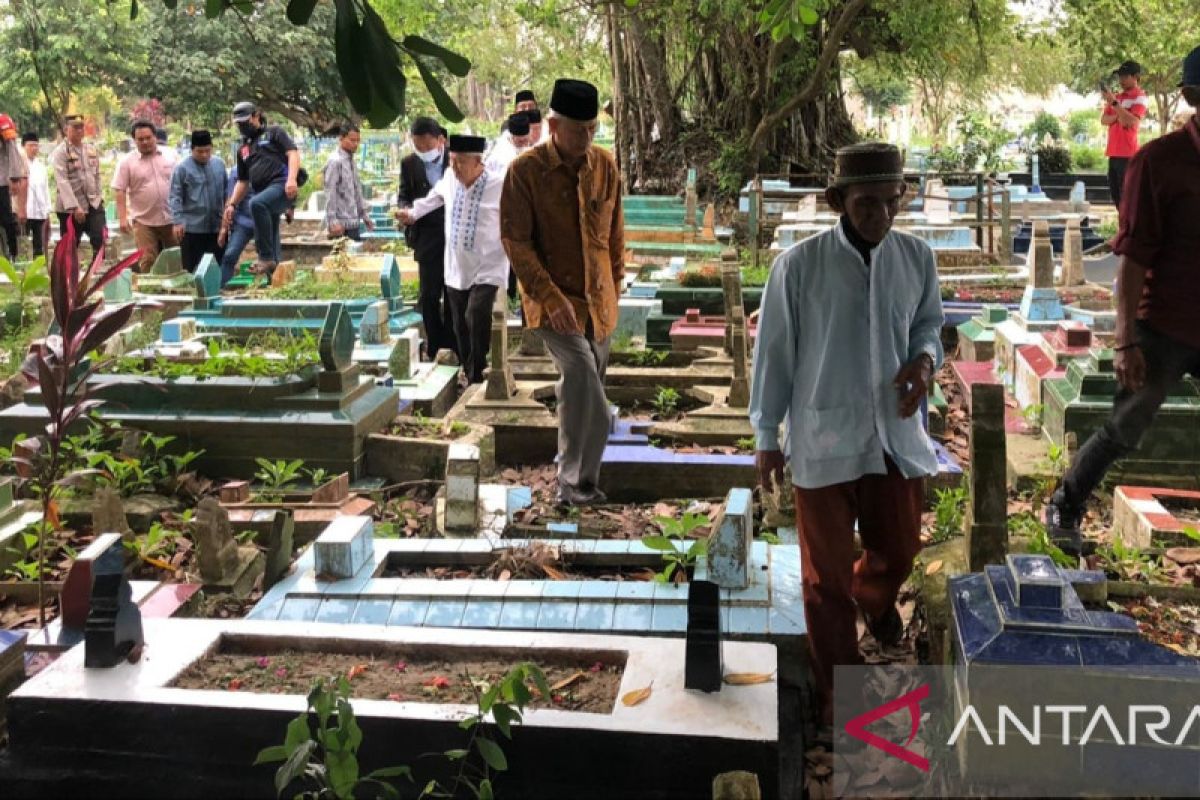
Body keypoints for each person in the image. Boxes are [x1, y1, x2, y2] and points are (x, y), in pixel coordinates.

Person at [750, 142, 944, 731]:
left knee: (902, 549)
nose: (880, 216)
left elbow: (929, 325)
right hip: (822, 436)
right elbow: (775, 353)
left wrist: (924, 362)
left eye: (891, 203)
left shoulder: (915, 258)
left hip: (892, 435)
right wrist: (766, 434)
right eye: (866, 205)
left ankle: (875, 599)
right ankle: (841, 703)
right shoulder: (799, 266)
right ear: (837, 201)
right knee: (822, 584)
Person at [1046, 46, 1200, 553]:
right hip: (1167, 324)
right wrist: (1125, 340)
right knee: (1126, 423)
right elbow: (1132, 261)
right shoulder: (1158, 162)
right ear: (1191, 97)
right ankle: (1065, 506)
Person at [501, 78, 624, 506]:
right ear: (553, 125)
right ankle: (571, 478)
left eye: (592, 129)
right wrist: (549, 299)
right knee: (582, 380)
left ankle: (583, 482)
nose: (586, 138)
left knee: (584, 393)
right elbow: (516, 242)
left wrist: (615, 291)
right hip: (555, 303)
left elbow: (614, 238)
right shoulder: (525, 172)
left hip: (599, 302)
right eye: (578, 130)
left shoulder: (605, 167)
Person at [398, 135, 508, 384]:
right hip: (456, 264)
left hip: (488, 264)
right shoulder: (449, 179)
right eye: (452, 161)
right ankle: (472, 372)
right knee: (459, 324)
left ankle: (478, 369)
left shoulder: (499, 185)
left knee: (476, 313)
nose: (454, 167)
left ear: (478, 162)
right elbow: (432, 200)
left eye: (460, 162)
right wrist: (411, 213)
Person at [398, 116, 456, 361]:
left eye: (427, 146)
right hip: (426, 235)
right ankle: (434, 344)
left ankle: (454, 344)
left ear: (441, 140)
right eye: (418, 146)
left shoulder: (456, 158)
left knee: (454, 291)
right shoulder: (410, 164)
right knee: (429, 294)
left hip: (453, 234)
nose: (423, 151)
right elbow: (404, 194)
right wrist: (403, 210)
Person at [222, 101, 301, 279]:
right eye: (239, 124)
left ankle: (264, 257)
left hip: (282, 186)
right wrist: (232, 204)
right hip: (264, 193)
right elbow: (243, 181)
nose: (243, 126)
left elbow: (293, 154)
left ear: (256, 116)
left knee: (256, 204)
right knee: (271, 237)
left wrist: (291, 180)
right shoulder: (243, 149)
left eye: (246, 121)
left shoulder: (274, 133)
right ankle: (273, 278)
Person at [112, 119, 178, 273]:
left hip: (172, 218)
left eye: (148, 138)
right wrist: (122, 218)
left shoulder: (171, 155)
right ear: (134, 141)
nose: (145, 142)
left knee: (177, 257)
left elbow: (182, 182)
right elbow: (119, 190)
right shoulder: (126, 162)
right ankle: (150, 290)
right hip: (144, 220)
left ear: (155, 137)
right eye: (140, 139)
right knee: (147, 260)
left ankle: (178, 291)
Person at [169, 130, 227, 273]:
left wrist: (226, 222)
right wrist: (178, 221)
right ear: (192, 149)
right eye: (200, 151)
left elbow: (227, 192)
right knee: (191, 268)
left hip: (216, 227)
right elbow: (175, 196)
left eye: (207, 151)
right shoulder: (182, 169)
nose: (204, 155)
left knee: (215, 266)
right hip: (192, 229)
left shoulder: (219, 165)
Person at [51, 115, 105, 252]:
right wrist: (75, 207)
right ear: (66, 129)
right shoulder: (61, 152)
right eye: (75, 127)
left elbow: (97, 175)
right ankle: (68, 272)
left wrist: (99, 197)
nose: (80, 130)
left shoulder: (90, 149)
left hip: (93, 203)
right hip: (70, 207)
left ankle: (97, 270)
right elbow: (62, 180)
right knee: (70, 245)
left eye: (81, 126)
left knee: (100, 238)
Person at [1102, 60, 1150, 212]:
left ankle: (1130, 229)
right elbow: (1104, 119)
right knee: (1116, 195)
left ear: (1135, 76)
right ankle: (1123, 228)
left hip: (1128, 154)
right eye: (1120, 77)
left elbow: (1131, 121)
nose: (1121, 80)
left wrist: (1115, 106)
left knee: (1127, 196)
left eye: (1125, 76)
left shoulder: (1140, 97)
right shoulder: (1117, 97)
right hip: (1113, 153)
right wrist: (1119, 115)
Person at [323, 124, 374, 241]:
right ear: (341, 138)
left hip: (353, 222)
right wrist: (332, 221)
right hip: (340, 225)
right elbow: (330, 192)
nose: (356, 144)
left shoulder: (351, 161)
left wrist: (364, 215)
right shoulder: (335, 161)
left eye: (358, 141)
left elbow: (356, 190)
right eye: (352, 140)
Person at [218, 165, 256, 287]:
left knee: (271, 258)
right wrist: (224, 228)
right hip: (242, 221)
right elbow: (230, 199)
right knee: (230, 255)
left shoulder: (271, 166)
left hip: (265, 222)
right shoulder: (237, 171)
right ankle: (223, 287)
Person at [0, 115, 27, 260]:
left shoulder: (3, 121)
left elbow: (12, 151)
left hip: (1, 182)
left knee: (6, 220)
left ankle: (13, 253)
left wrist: (15, 177)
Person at [21, 132, 49, 258]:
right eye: (31, 145)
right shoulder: (19, 165)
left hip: (39, 212)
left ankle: (39, 269)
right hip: (24, 211)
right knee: (23, 242)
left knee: (39, 244)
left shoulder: (41, 167)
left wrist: (47, 210)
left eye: (36, 146)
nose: (34, 149)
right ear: (23, 146)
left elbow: (46, 189)